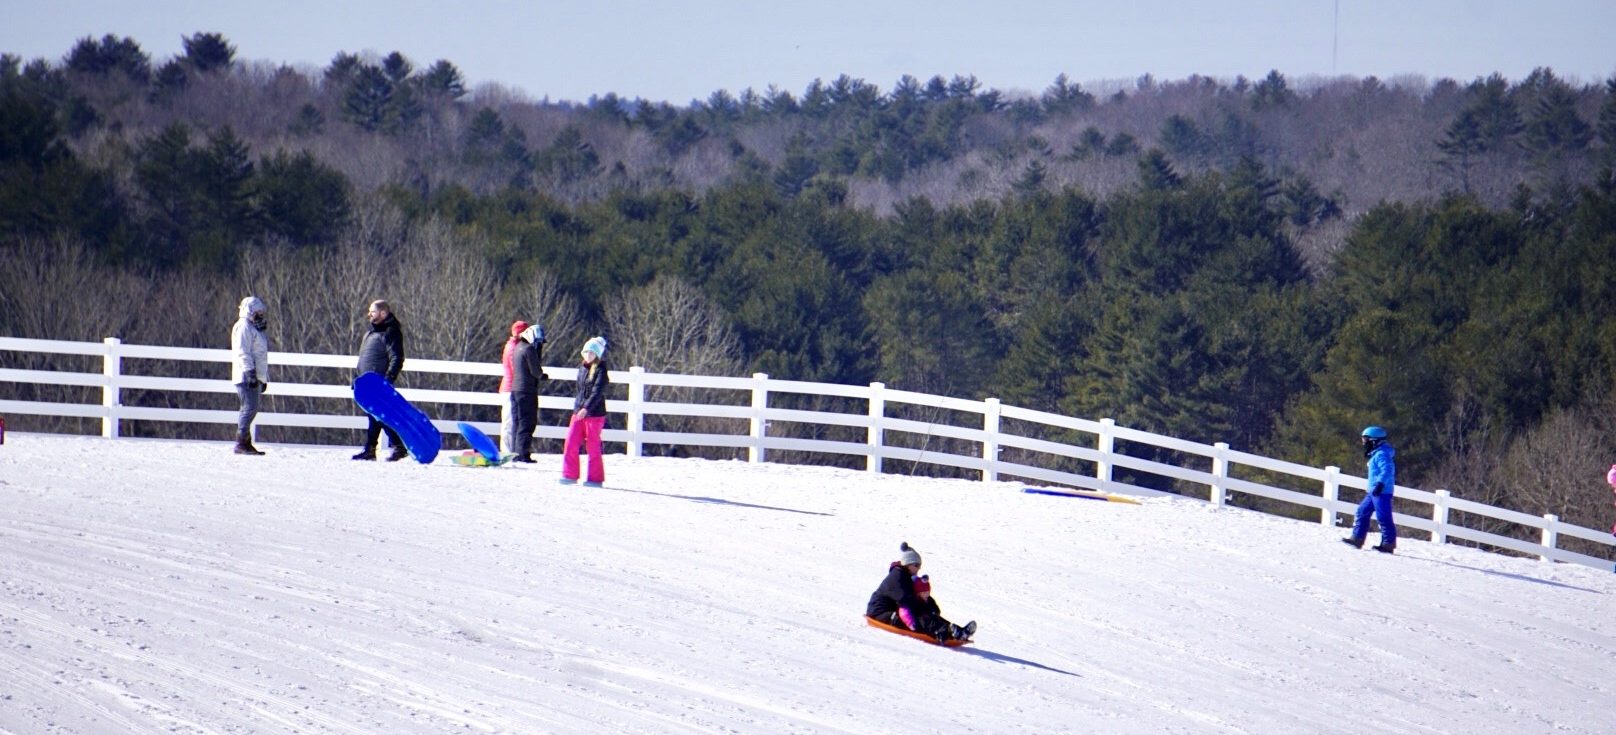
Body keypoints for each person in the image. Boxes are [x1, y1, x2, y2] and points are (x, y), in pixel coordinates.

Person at [865, 542, 974, 643]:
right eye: (916, 565)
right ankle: (943, 632)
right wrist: (925, 608)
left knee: (925, 614)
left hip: (894, 609)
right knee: (918, 617)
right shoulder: (896, 577)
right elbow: (907, 600)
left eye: (919, 566)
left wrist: (930, 606)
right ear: (908, 564)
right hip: (880, 613)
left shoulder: (906, 576)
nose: (918, 569)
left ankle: (957, 631)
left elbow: (918, 595)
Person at [353, 299, 408, 461]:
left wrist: (388, 379)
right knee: (374, 416)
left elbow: (396, 357)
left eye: (373, 311)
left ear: (383, 313)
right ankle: (370, 450)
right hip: (367, 381)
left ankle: (399, 446)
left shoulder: (391, 332)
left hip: (378, 382)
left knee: (381, 416)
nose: (369, 314)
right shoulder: (372, 332)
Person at [559, 336, 609, 486]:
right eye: (586, 352)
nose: (588, 355)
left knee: (593, 446)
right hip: (579, 412)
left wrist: (586, 408)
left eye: (592, 353)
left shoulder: (601, 370)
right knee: (571, 442)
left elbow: (597, 392)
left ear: (597, 355)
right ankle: (569, 474)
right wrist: (578, 409)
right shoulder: (582, 368)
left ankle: (595, 478)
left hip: (594, 414)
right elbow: (580, 391)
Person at [1342, 425, 1398, 553]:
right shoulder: (1376, 453)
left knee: (1383, 517)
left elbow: (1388, 470)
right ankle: (1357, 538)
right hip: (1373, 491)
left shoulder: (1382, 454)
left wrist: (1380, 484)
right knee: (1362, 512)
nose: (1363, 442)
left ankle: (1388, 544)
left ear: (1374, 440)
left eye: (1365, 439)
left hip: (1381, 492)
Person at [230, 296, 270, 456]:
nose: (260, 315)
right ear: (250, 311)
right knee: (249, 408)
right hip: (245, 375)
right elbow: (243, 352)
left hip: (254, 375)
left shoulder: (254, 328)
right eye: (258, 312)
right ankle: (241, 442)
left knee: (251, 408)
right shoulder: (243, 327)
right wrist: (250, 373)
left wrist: (262, 378)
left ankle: (245, 442)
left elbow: (260, 354)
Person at [509, 323, 545, 463]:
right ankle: (523, 453)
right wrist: (543, 376)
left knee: (517, 422)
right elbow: (536, 371)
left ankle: (516, 452)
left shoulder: (518, 347)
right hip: (526, 391)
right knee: (527, 422)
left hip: (515, 390)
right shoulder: (529, 349)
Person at [499, 320, 530, 454]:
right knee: (509, 421)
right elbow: (516, 369)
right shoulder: (515, 348)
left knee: (511, 420)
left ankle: (509, 449)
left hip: (510, 387)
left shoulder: (513, 346)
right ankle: (507, 451)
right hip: (510, 388)